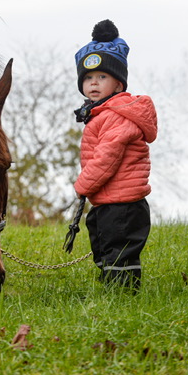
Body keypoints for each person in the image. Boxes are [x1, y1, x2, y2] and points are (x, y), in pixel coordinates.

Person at [74, 19, 157, 289]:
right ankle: (111, 286)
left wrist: (83, 185)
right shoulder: (101, 114)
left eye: (102, 77)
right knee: (104, 246)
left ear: (119, 84)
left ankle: (123, 294)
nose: (93, 83)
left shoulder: (118, 115)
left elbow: (106, 158)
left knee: (120, 251)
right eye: (88, 78)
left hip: (123, 203)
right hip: (107, 200)